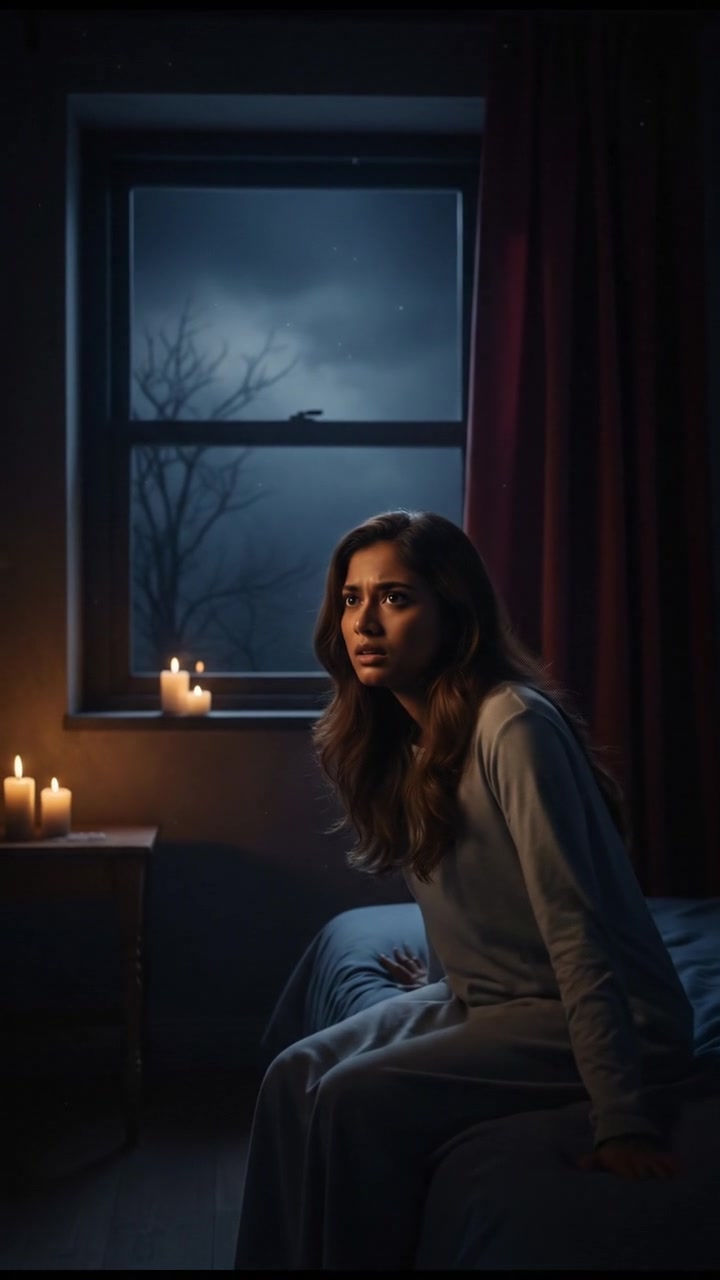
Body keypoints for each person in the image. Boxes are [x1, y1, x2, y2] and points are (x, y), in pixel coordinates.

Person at [234, 509, 696, 1271]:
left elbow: (575, 925)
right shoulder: (403, 736)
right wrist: (444, 981)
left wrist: (621, 1118)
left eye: (396, 597)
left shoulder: (512, 725)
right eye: (351, 599)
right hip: (497, 1000)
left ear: (454, 612)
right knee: (293, 1077)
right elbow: (474, 895)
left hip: (610, 1020)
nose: (365, 623)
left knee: (349, 1098)